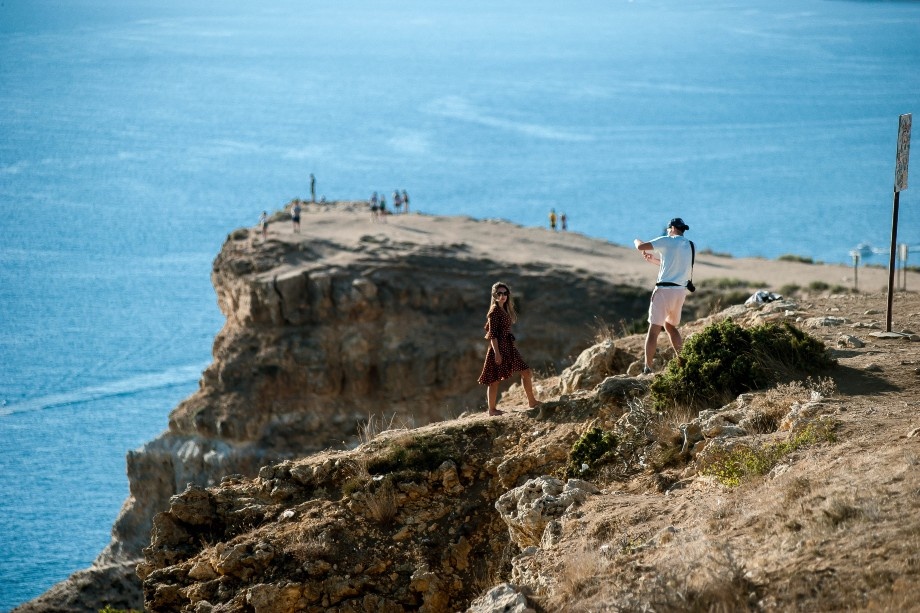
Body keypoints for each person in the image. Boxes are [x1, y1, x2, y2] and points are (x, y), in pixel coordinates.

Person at [633, 217, 694, 374]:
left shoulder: (667, 240)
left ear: (672, 228)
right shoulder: (689, 245)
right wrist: (654, 260)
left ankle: (648, 367)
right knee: (670, 326)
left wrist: (636, 240)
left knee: (653, 330)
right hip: (680, 292)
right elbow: (673, 265)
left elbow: (641, 247)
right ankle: (682, 361)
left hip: (664, 291)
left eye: (669, 229)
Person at [477, 282, 540, 415]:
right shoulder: (494, 312)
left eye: (505, 293)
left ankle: (532, 401)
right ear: (494, 295)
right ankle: (492, 410)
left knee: (526, 371)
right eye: (499, 293)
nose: (503, 296)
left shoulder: (504, 309)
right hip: (498, 348)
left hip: (508, 346)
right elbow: (492, 335)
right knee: (493, 380)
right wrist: (497, 353)